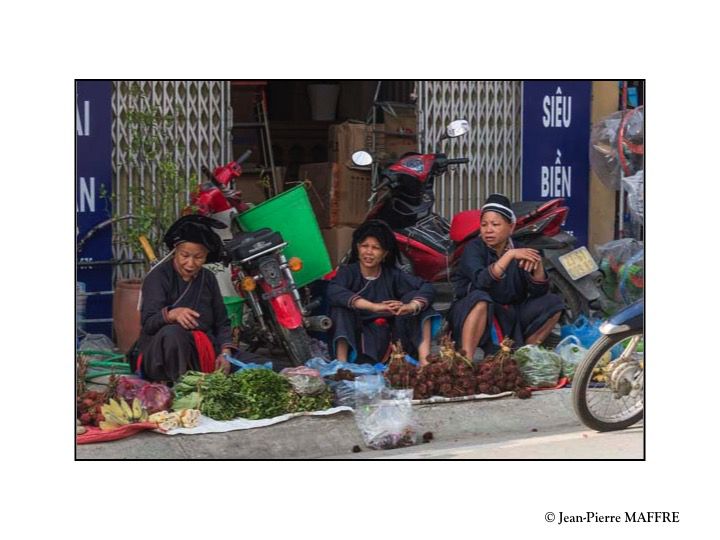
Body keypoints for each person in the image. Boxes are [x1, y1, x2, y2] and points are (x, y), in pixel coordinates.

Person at [447, 194, 564, 360]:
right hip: (473, 312)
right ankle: (466, 359)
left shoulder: (520, 249)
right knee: (480, 299)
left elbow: (539, 292)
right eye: (484, 225)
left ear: (510, 227)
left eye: (495, 224)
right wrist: (508, 257)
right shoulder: (474, 248)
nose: (488, 230)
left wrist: (538, 267)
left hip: (510, 314)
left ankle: (527, 354)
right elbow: (482, 281)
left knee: (554, 303)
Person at [327, 220, 441, 365]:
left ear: (385, 253)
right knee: (340, 307)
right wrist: (372, 306)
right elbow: (333, 291)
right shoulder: (347, 273)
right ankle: (341, 364)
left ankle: (425, 361)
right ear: (357, 248)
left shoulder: (393, 275)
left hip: (389, 341)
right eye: (364, 246)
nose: (369, 252)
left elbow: (427, 287)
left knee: (416, 299)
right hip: (357, 341)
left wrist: (410, 306)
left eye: (376, 248)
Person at [135, 215, 234, 382]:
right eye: (185, 255)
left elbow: (222, 322)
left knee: (261, 365)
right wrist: (172, 314)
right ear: (175, 252)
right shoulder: (158, 277)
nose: (190, 263)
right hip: (160, 357)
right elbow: (148, 323)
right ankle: (179, 387)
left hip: (202, 353)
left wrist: (225, 353)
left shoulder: (208, 278)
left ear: (206, 256)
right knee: (173, 333)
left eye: (198, 257)